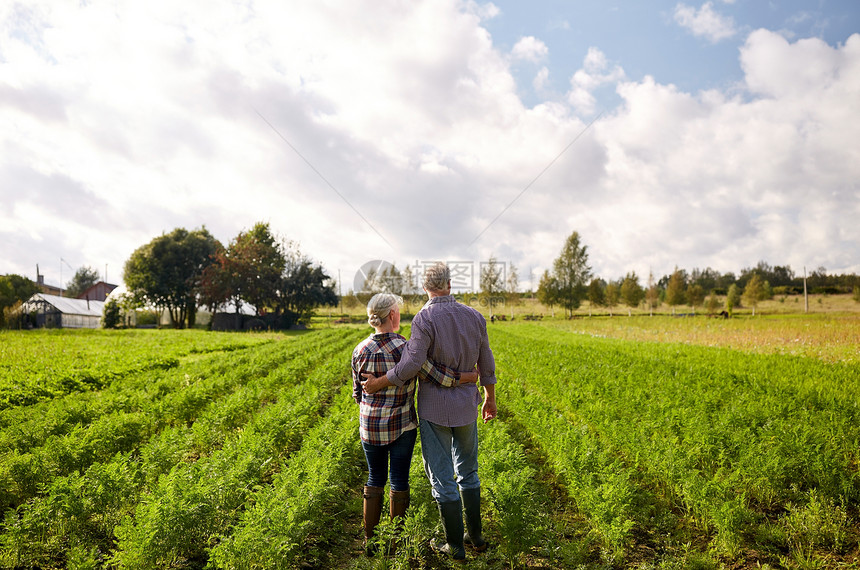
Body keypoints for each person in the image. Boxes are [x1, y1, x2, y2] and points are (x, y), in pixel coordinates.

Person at [363, 264, 497, 561]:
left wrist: (378, 383)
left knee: (442, 477)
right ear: (449, 285)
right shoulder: (474, 317)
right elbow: (486, 363)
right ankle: (475, 536)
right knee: (469, 471)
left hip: (434, 409)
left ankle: (456, 545)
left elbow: (412, 365)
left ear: (426, 288)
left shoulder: (424, 318)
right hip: (466, 407)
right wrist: (490, 399)